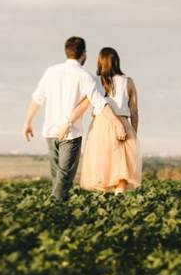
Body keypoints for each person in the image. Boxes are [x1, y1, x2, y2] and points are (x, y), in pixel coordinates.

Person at [23, 37, 127, 202]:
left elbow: (37, 99)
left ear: (66, 51)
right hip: (71, 134)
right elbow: (100, 103)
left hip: (50, 131)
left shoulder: (51, 72)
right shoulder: (85, 76)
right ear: (83, 54)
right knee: (63, 177)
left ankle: (56, 212)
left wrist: (27, 122)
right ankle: (54, 209)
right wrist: (118, 125)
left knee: (57, 177)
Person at [57, 47, 141, 194]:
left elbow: (82, 106)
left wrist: (67, 124)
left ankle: (105, 205)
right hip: (123, 124)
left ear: (100, 62)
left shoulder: (95, 81)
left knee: (102, 168)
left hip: (100, 126)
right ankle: (118, 199)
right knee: (121, 171)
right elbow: (134, 111)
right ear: (117, 61)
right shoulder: (128, 82)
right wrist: (133, 132)